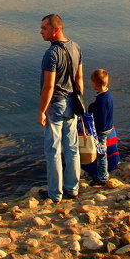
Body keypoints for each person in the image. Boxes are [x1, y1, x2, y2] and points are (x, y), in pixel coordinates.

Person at [38, 13, 84, 202]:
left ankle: (55, 194)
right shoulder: (76, 47)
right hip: (72, 102)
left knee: (53, 150)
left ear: (56, 30)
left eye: (44, 28)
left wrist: (41, 110)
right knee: (72, 148)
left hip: (56, 104)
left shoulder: (51, 54)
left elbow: (48, 86)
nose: (41, 32)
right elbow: (79, 80)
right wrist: (79, 101)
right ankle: (72, 189)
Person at [83, 68, 118, 186]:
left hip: (102, 131)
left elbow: (101, 120)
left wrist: (95, 133)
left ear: (96, 84)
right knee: (103, 151)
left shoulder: (101, 101)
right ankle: (103, 173)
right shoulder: (108, 95)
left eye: (92, 82)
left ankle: (102, 177)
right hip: (109, 127)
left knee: (101, 153)